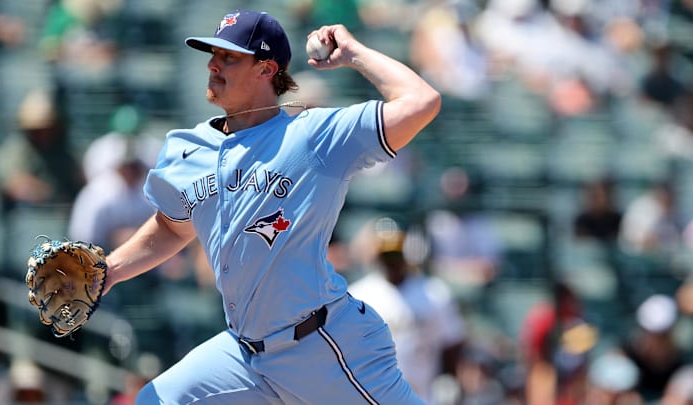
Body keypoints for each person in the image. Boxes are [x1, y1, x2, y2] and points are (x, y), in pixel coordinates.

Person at [100, 8, 441, 404]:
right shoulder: (186, 148)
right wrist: (110, 271)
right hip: (243, 354)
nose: (213, 64)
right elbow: (173, 226)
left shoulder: (313, 136)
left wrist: (353, 53)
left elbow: (422, 101)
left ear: (266, 69)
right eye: (212, 54)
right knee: (156, 400)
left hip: (322, 347)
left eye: (229, 57)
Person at [348, 218, 467, 404]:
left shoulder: (434, 294)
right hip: (373, 396)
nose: (392, 262)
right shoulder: (359, 296)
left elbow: (451, 347)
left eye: (396, 255)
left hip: (422, 394)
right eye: (387, 256)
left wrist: (452, 385)